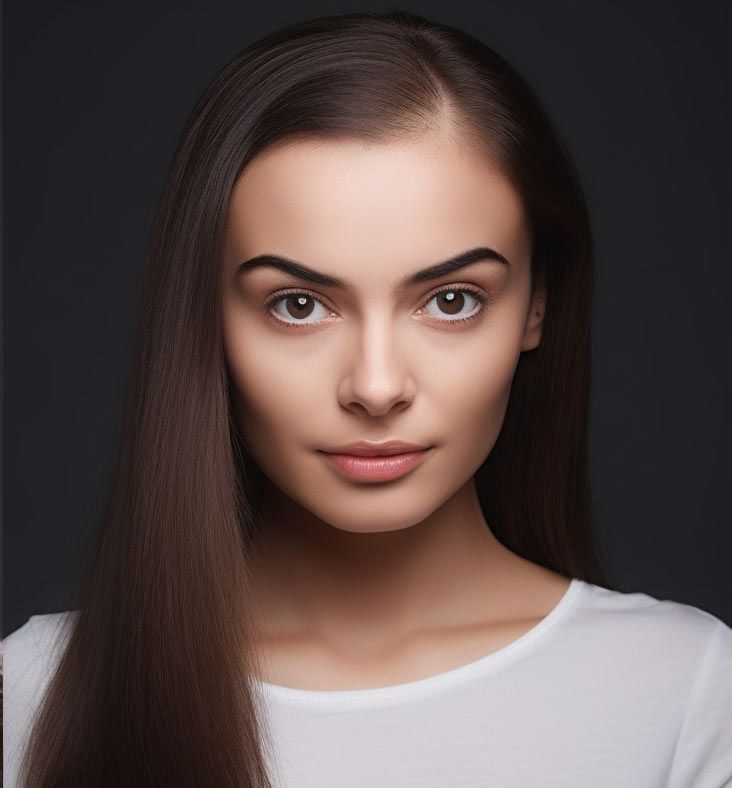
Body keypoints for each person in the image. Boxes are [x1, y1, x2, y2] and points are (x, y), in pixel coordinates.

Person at [3, 9, 730, 788]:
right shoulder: (32, 696)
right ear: (205, 315)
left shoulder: (688, 695)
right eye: (298, 304)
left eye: (451, 300)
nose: (376, 387)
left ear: (537, 305)